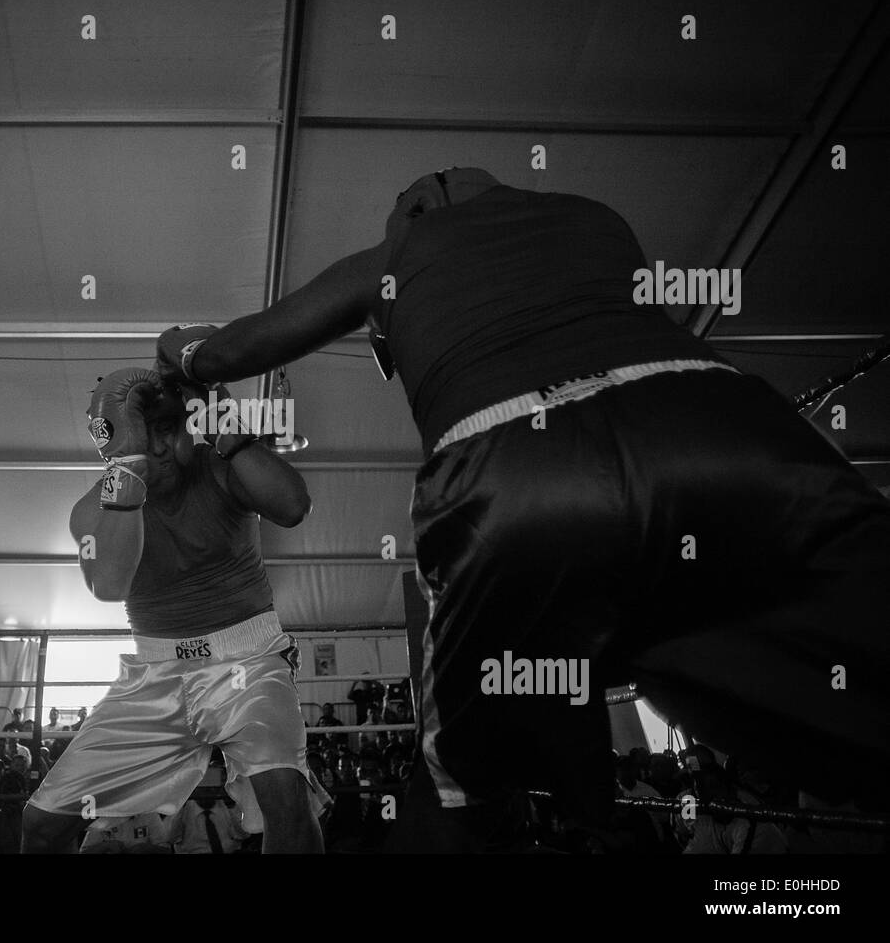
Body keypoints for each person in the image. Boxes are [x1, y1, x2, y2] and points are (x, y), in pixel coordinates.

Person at [153, 165, 890, 850]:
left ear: (411, 214)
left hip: (516, 469)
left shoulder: (388, 258)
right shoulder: (594, 216)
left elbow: (229, 352)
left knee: (457, 787)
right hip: (731, 430)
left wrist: (179, 351)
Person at [22, 367, 327, 854]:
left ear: (191, 427)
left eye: (170, 431)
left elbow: (293, 506)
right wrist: (130, 472)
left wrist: (228, 427)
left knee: (285, 802)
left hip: (249, 661)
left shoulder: (221, 467)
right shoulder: (91, 510)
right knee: (39, 824)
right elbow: (108, 584)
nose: (161, 448)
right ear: (117, 441)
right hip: (154, 674)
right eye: (147, 434)